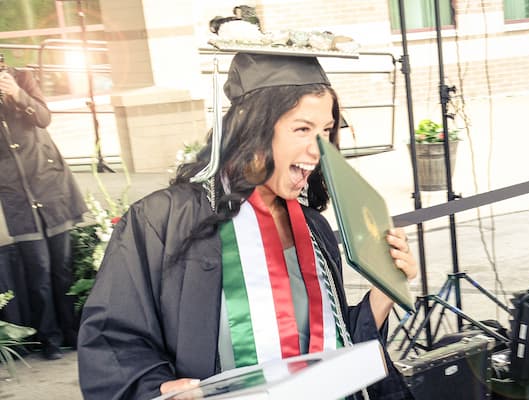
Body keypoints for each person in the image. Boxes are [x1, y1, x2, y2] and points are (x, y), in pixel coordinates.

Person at [77, 53, 417, 399]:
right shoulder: (163, 220)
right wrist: (155, 390)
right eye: (302, 128)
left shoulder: (314, 230)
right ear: (253, 127)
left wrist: (386, 288)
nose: (319, 149)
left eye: (326, 131)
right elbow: (113, 339)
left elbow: (331, 343)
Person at [0, 57, 88, 360]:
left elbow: (43, 118)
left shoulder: (22, 77)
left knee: (62, 268)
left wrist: (17, 95)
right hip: (15, 194)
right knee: (38, 270)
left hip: (48, 185)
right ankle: (49, 338)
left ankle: (71, 333)